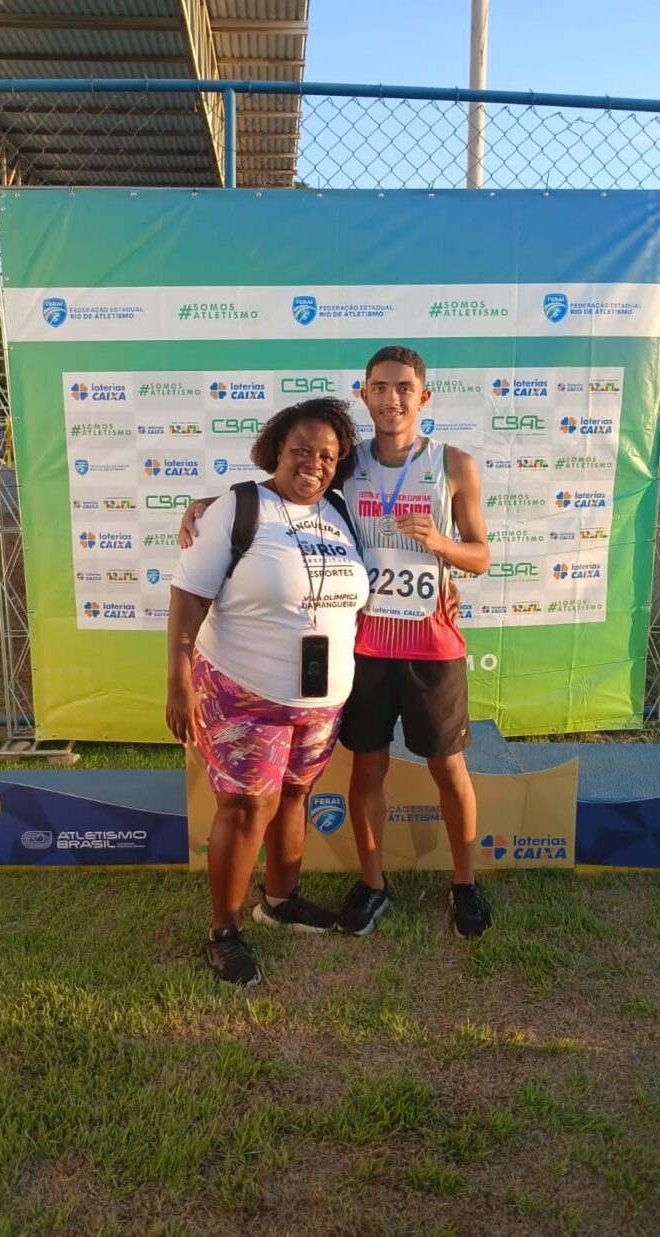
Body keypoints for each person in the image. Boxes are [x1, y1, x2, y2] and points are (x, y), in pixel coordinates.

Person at [180, 346, 492, 940]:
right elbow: (287, 490)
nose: (392, 398)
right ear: (364, 394)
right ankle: (372, 886)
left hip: (432, 645)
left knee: (448, 767)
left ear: (424, 396)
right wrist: (209, 506)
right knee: (367, 767)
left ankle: (464, 883)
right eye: (381, 387)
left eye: (404, 388)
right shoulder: (348, 465)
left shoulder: (455, 463)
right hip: (365, 646)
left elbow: (480, 556)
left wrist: (441, 546)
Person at [166, 398, 369, 987]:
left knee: (296, 795)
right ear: (277, 449)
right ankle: (224, 931)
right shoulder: (239, 507)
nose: (314, 463)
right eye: (302, 450)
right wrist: (178, 680)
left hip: (320, 700)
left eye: (327, 455)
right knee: (247, 805)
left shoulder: (340, 511)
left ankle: (280, 901)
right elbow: (188, 596)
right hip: (243, 691)